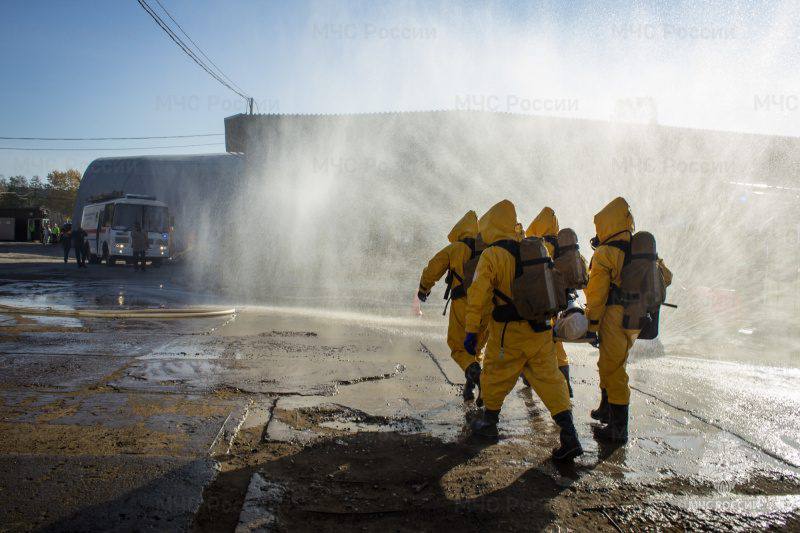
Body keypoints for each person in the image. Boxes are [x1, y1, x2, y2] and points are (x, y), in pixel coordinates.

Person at [463, 199, 583, 461]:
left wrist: (472, 331)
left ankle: (489, 424)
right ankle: (570, 434)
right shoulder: (533, 249)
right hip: (541, 331)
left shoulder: (492, 255)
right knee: (551, 381)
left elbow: (478, 296)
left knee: (495, 373)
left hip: (509, 332)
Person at [584, 197, 671, 443]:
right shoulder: (640, 249)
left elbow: (597, 294)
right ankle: (607, 411)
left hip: (613, 317)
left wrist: (591, 324)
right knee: (609, 364)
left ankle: (618, 430)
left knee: (614, 370)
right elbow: (668, 276)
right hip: (635, 317)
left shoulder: (604, 253)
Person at [418, 211, 489, 401]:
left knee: (457, 346)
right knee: (475, 348)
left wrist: (423, 288)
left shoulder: (456, 248)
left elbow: (433, 268)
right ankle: (470, 387)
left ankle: (478, 377)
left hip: (464, 303)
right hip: (487, 306)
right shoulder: (489, 248)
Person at [525, 207, 573, 396]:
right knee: (557, 343)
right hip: (562, 303)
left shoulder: (541, 247)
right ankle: (566, 383)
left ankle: (532, 378)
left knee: (534, 341)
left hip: (544, 303)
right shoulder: (566, 247)